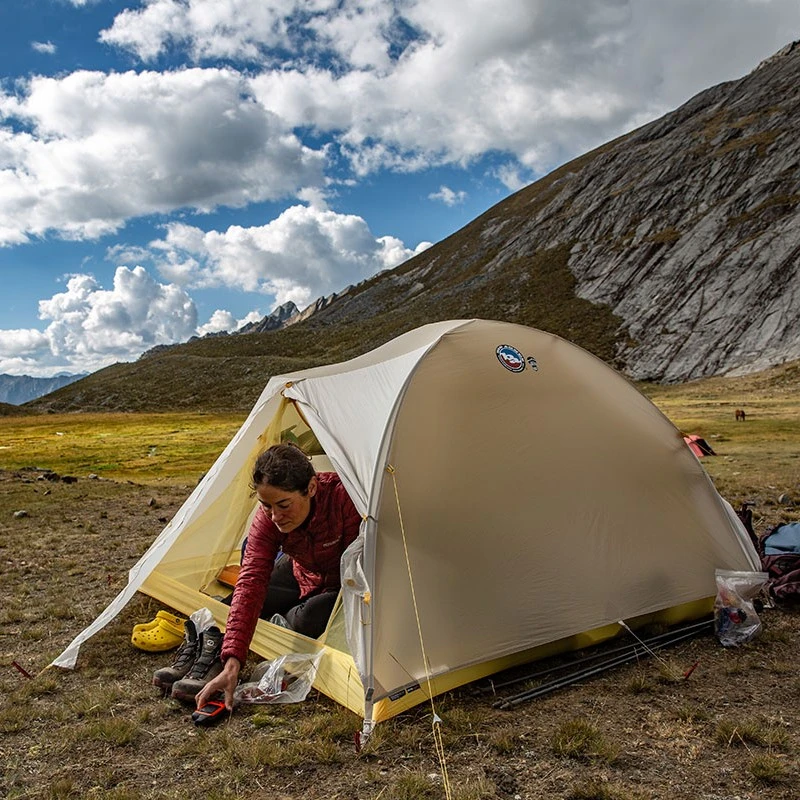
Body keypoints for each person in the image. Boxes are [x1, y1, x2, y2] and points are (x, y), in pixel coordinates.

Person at [195, 442, 361, 710]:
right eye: (266, 506)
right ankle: (214, 665)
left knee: (310, 616)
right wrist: (234, 661)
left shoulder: (345, 500)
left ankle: (282, 622)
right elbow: (250, 580)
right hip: (301, 570)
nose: (275, 516)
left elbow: (362, 569)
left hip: (341, 584)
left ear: (311, 488)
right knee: (234, 603)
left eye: (284, 505)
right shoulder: (268, 519)